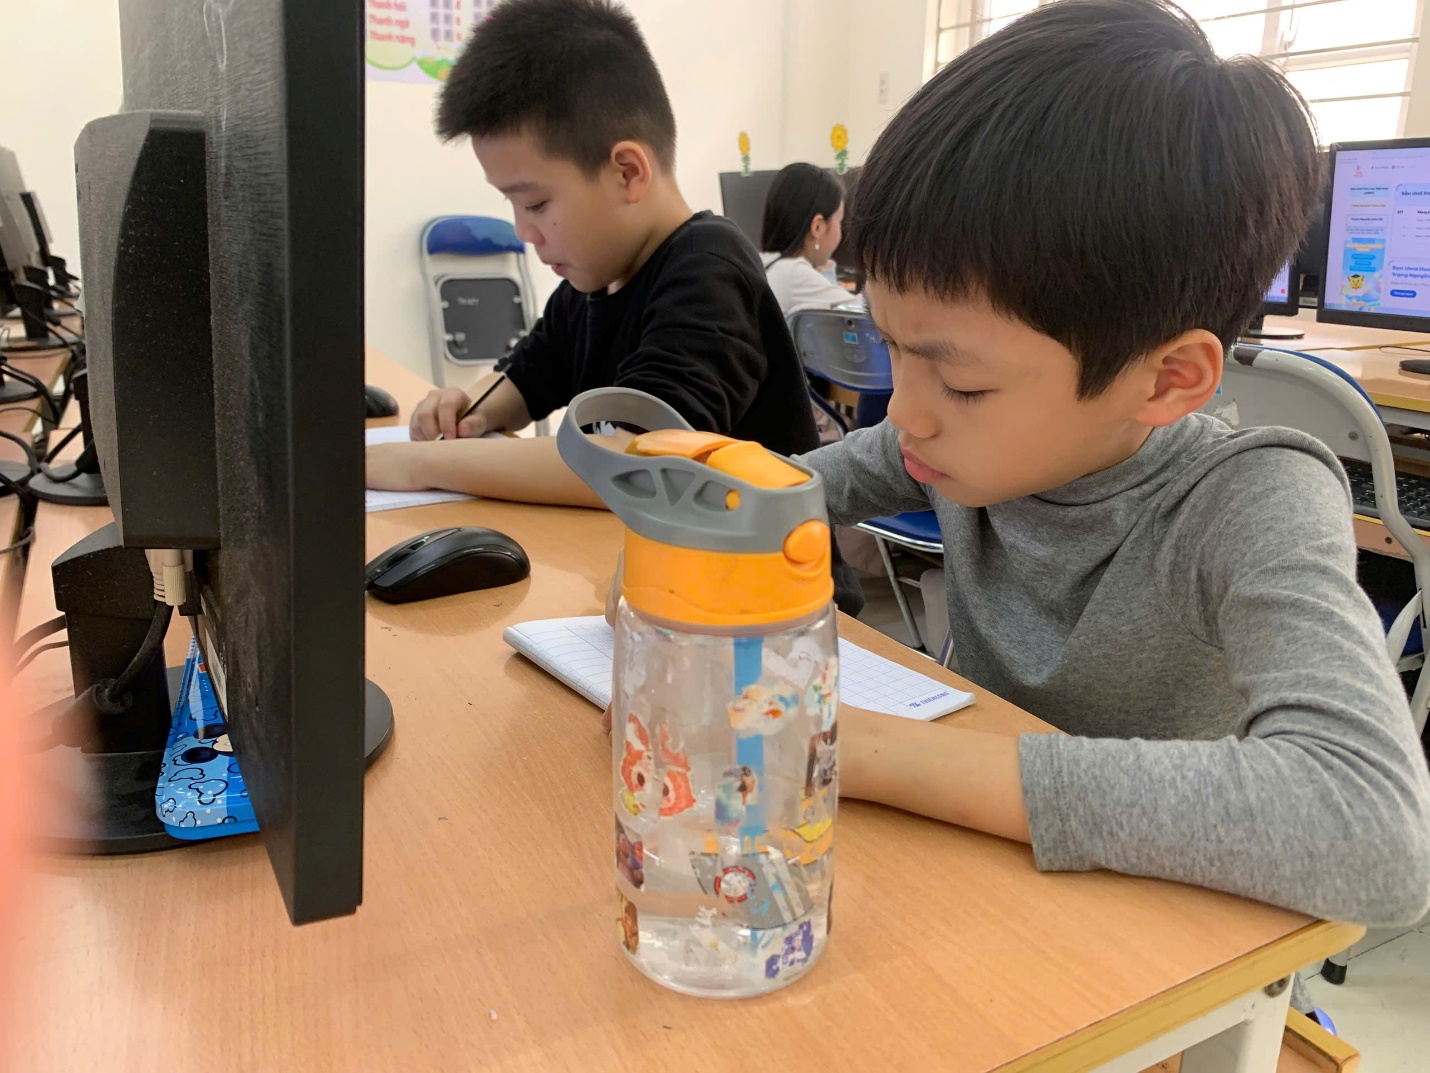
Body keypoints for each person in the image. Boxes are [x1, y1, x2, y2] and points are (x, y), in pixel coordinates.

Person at [794, 0, 1430, 1014]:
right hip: (985, 908)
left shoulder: (1252, 495)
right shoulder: (953, 445)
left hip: (1180, 973)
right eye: (887, 346)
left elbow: (1372, 832)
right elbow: (773, 489)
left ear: (1167, 379)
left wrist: (862, 752)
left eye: (958, 383)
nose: (903, 414)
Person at [365, 0, 861, 614]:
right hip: (659, 588)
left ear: (628, 171)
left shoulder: (709, 266)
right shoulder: (592, 281)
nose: (524, 231)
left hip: (775, 609)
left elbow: (633, 464)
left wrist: (419, 464)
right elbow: (524, 376)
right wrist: (467, 404)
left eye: (537, 203)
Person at [759, 163, 861, 316]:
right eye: (839, 221)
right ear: (818, 227)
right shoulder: (793, 274)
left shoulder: (769, 266)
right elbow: (863, 312)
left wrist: (823, 267)